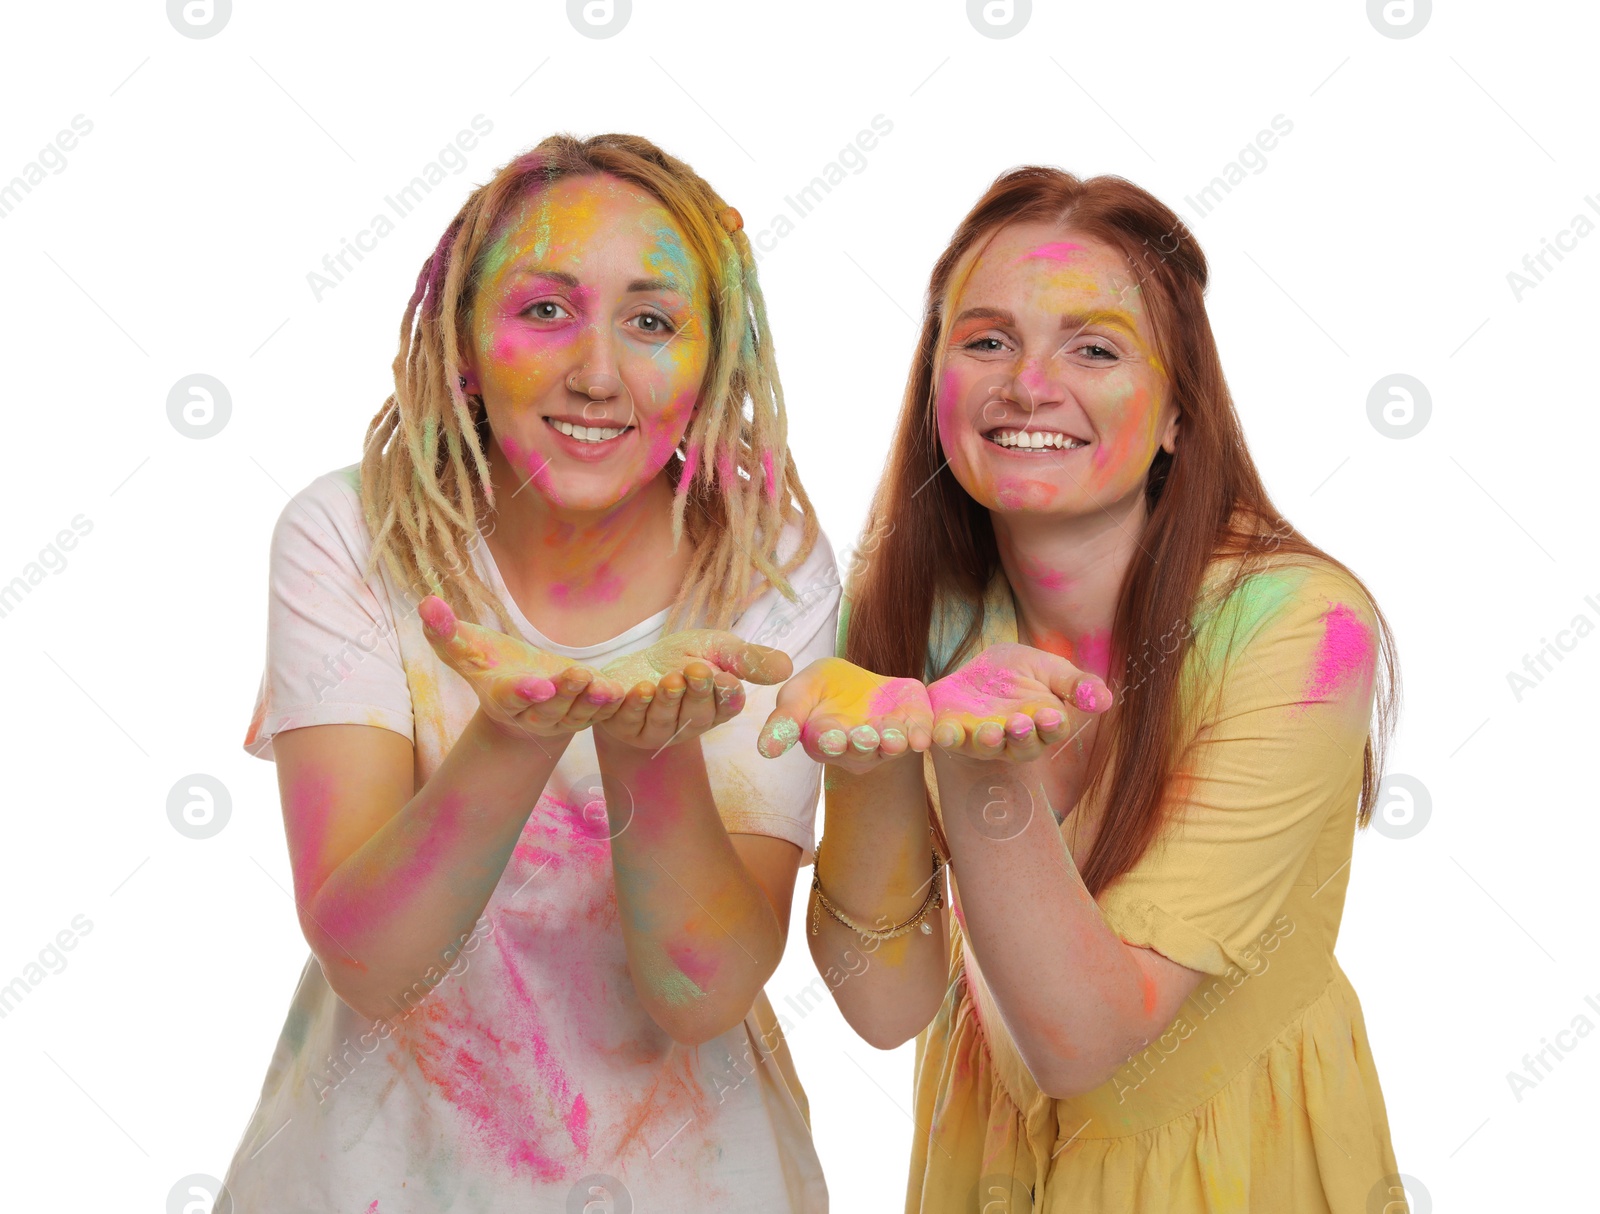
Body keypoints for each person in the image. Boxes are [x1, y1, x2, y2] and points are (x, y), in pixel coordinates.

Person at [761, 166, 1404, 1212]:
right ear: (937, 390)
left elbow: (1083, 1040)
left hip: (1236, 1172)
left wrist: (980, 757)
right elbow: (885, 1005)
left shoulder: (1302, 628)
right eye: (985, 339)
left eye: (1093, 348)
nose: (1028, 383)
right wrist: (869, 759)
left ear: (1176, 417)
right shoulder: (909, 604)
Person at [218, 133, 836, 1213]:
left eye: (650, 321)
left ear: (709, 359)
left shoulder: (765, 562)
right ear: (463, 341)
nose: (596, 373)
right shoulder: (353, 533)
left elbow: (703, 989)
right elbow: (373, 963)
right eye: (545, 309)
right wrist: (516, 729)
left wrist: (649, 745)